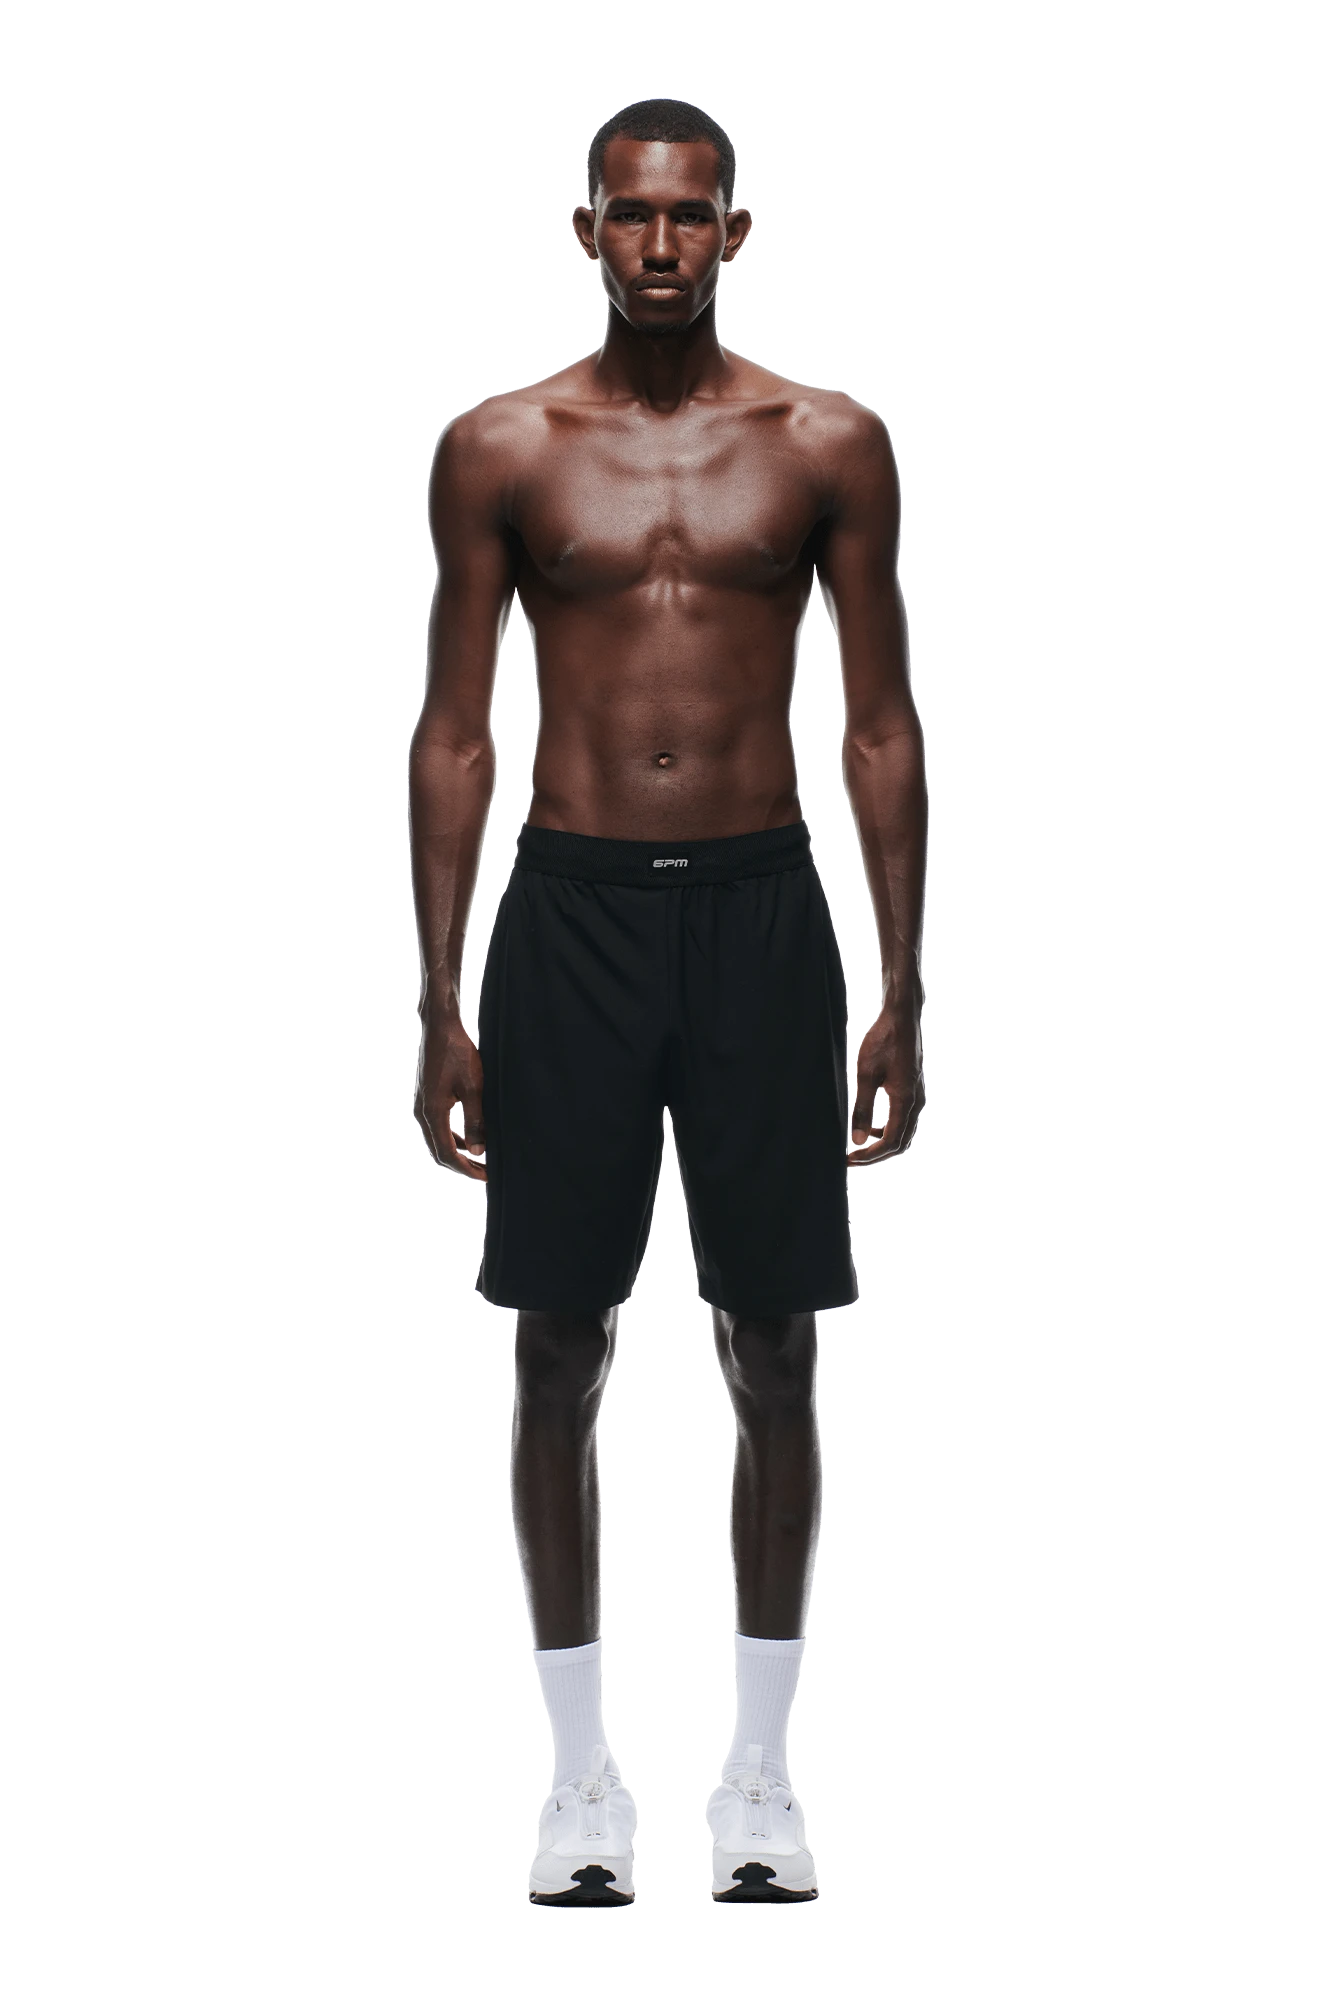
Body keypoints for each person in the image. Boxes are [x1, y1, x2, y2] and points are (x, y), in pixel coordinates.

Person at [410, 99, 926, 1902]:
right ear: (586, 231)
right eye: (632, 216)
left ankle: (763, 1783)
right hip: (569, 910)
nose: (660, 245)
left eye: (690, 216)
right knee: (557, 1343)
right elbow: (455, 734)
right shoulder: (501, 448)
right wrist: (439, 1001)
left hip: (763, 909)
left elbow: (880, 726)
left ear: (734, 233)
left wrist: (904, 988)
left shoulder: (829, 443)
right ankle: (579, 1786)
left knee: (774, 1342)